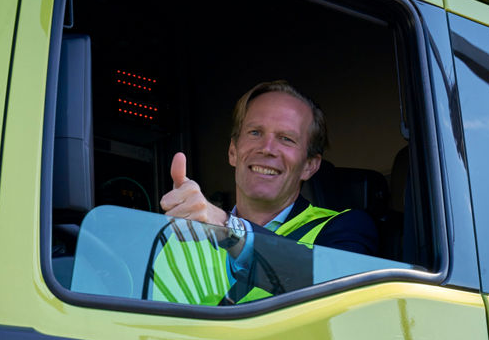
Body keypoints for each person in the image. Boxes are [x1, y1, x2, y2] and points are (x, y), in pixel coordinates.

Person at [151, 81, 377, 304]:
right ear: (233, 151)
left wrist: (226, 227)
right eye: (255, 132)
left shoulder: (346, 227)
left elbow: (341, 293)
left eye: (286, 139)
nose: (267, 148)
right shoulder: (184, 241)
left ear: (309, 165)